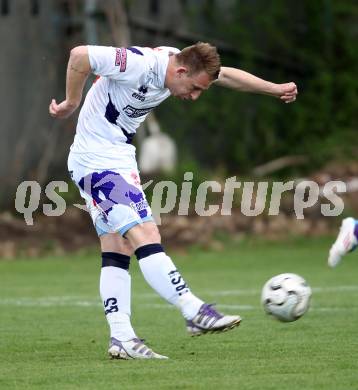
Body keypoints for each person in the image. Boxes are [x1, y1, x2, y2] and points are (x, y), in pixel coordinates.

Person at [49, 42, 298, 360]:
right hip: (97, 162)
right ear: (181, 71)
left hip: (117, 158)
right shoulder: (139, 64)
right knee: (146, 234)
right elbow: (79, 55)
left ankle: (122, 338)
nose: (194, 97)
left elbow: (227, 76)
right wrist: (72, 101)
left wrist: (274, 89)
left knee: (118, 245)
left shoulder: (178, 61)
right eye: (194, 88)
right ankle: (193, 309)